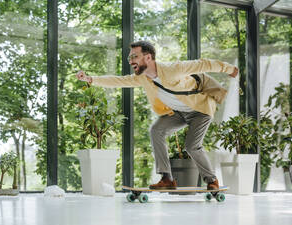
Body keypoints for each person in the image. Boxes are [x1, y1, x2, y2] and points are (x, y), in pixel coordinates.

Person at [76, 41, 238, 190]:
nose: (130, 60)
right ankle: (167, 179)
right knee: (156, 130)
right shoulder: (143, 78)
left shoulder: (173, 69)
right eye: (129, 57)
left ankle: (211, 180)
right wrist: (91, 79)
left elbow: (204, 64)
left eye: (134, 56)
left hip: (199, 110)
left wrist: (230, 69)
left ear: (148, 57)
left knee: (191, 146)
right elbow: (119, 81)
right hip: (178, 113)